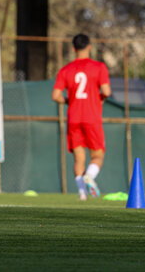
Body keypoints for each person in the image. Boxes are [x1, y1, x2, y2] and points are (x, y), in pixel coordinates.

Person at [52, 34, 111, 201]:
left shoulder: (66, 70)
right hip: (92, 117)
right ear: (89, 47)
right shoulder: (99, 67)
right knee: (98, 155)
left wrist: (69, 101)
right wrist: (100, 98)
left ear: (73, 49)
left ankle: (82, 193)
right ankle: (90, 176)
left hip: (74, 118)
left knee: (79, 158)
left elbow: (56, 95)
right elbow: (106, 91)